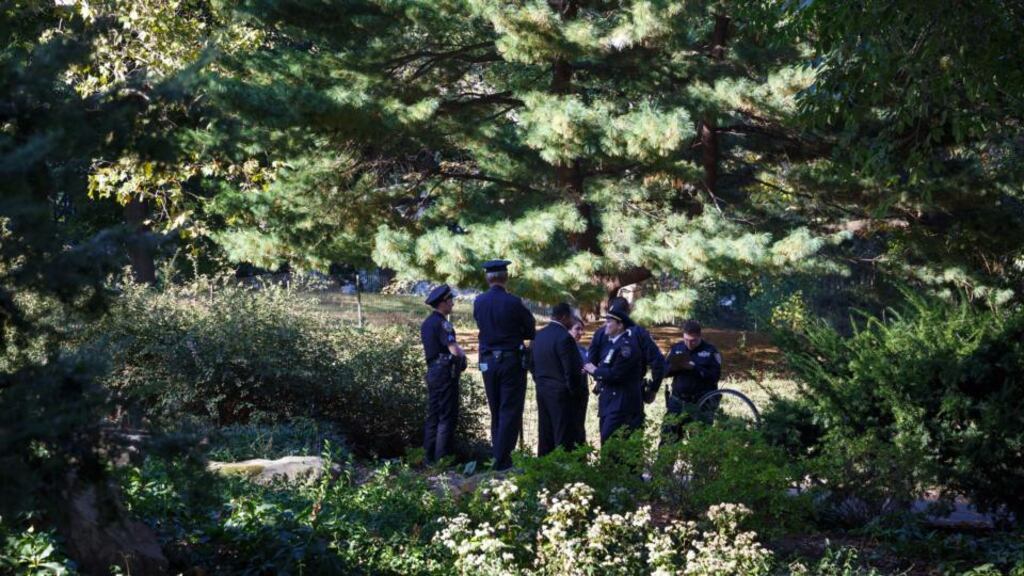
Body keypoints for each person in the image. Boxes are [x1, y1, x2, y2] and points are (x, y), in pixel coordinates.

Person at [473, 259, 537, 470]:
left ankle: (497, 453)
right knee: (509, 409)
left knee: (496, 409)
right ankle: (502, 459)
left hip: (488, 361)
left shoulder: (479, 301)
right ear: (506, 278)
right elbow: (529, 330)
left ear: (487, 278)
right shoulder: (514, 302)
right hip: (510, 360)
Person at [583, 306, 645, 443]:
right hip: (609, 402)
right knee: (606, 443)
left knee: (610, 444)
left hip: (621, 404)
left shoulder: (626, 347)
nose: (606, 325)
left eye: (610, 322)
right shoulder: (614, 345)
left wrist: (595, 371)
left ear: (620, 325)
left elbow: (616, 374)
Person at [530, 303, 585, 456]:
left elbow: (531, 363)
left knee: (545, 431)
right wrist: (574, 391)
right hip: (561, 393)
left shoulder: (539, 335)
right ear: (564, 317)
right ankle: (561, 468)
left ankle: (543, 466)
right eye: (571, 318)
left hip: (542, 390)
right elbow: (571, 369)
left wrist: (539, 380)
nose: (572, 322)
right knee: (563, 434)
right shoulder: (564, 338)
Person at [587, 296, 665, 405]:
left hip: (610, 392)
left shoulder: (600, 333)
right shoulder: (639, 333)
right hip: (630, 392)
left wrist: (599, 374)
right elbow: (658, 362)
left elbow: (590, 364)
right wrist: (653, 389)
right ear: (628, 313)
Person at [420, 284, 467, 464]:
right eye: (450, 300)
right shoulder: (442, 323)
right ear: (443, 302)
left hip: (433, 371)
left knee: (433, 414)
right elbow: (454, 349)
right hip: (445, 373)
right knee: (446, 417)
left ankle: (428, 457)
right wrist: (463, 358)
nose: (453, 304)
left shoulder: (427, 323)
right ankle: (443, 460)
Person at [661, 319, 722, 444]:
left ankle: (698, 464)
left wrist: (695, 368)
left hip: (701, 404)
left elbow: (715, 376)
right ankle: (665, 464)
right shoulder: (677, 348)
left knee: (700, 442)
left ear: (699, 336)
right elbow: (664, 371)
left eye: (693, 340)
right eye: (686, 340)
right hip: (677, 401)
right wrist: (674, 368)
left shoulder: (711, 351)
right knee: (668, 438)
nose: (689, 343)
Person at [568, 315, 589, 446]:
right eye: (577, 329)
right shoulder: (563, 348)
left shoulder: (582, 349)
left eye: (582, 330)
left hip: (582, 393)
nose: (581, 333)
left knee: (579, 426)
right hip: (569, 394)